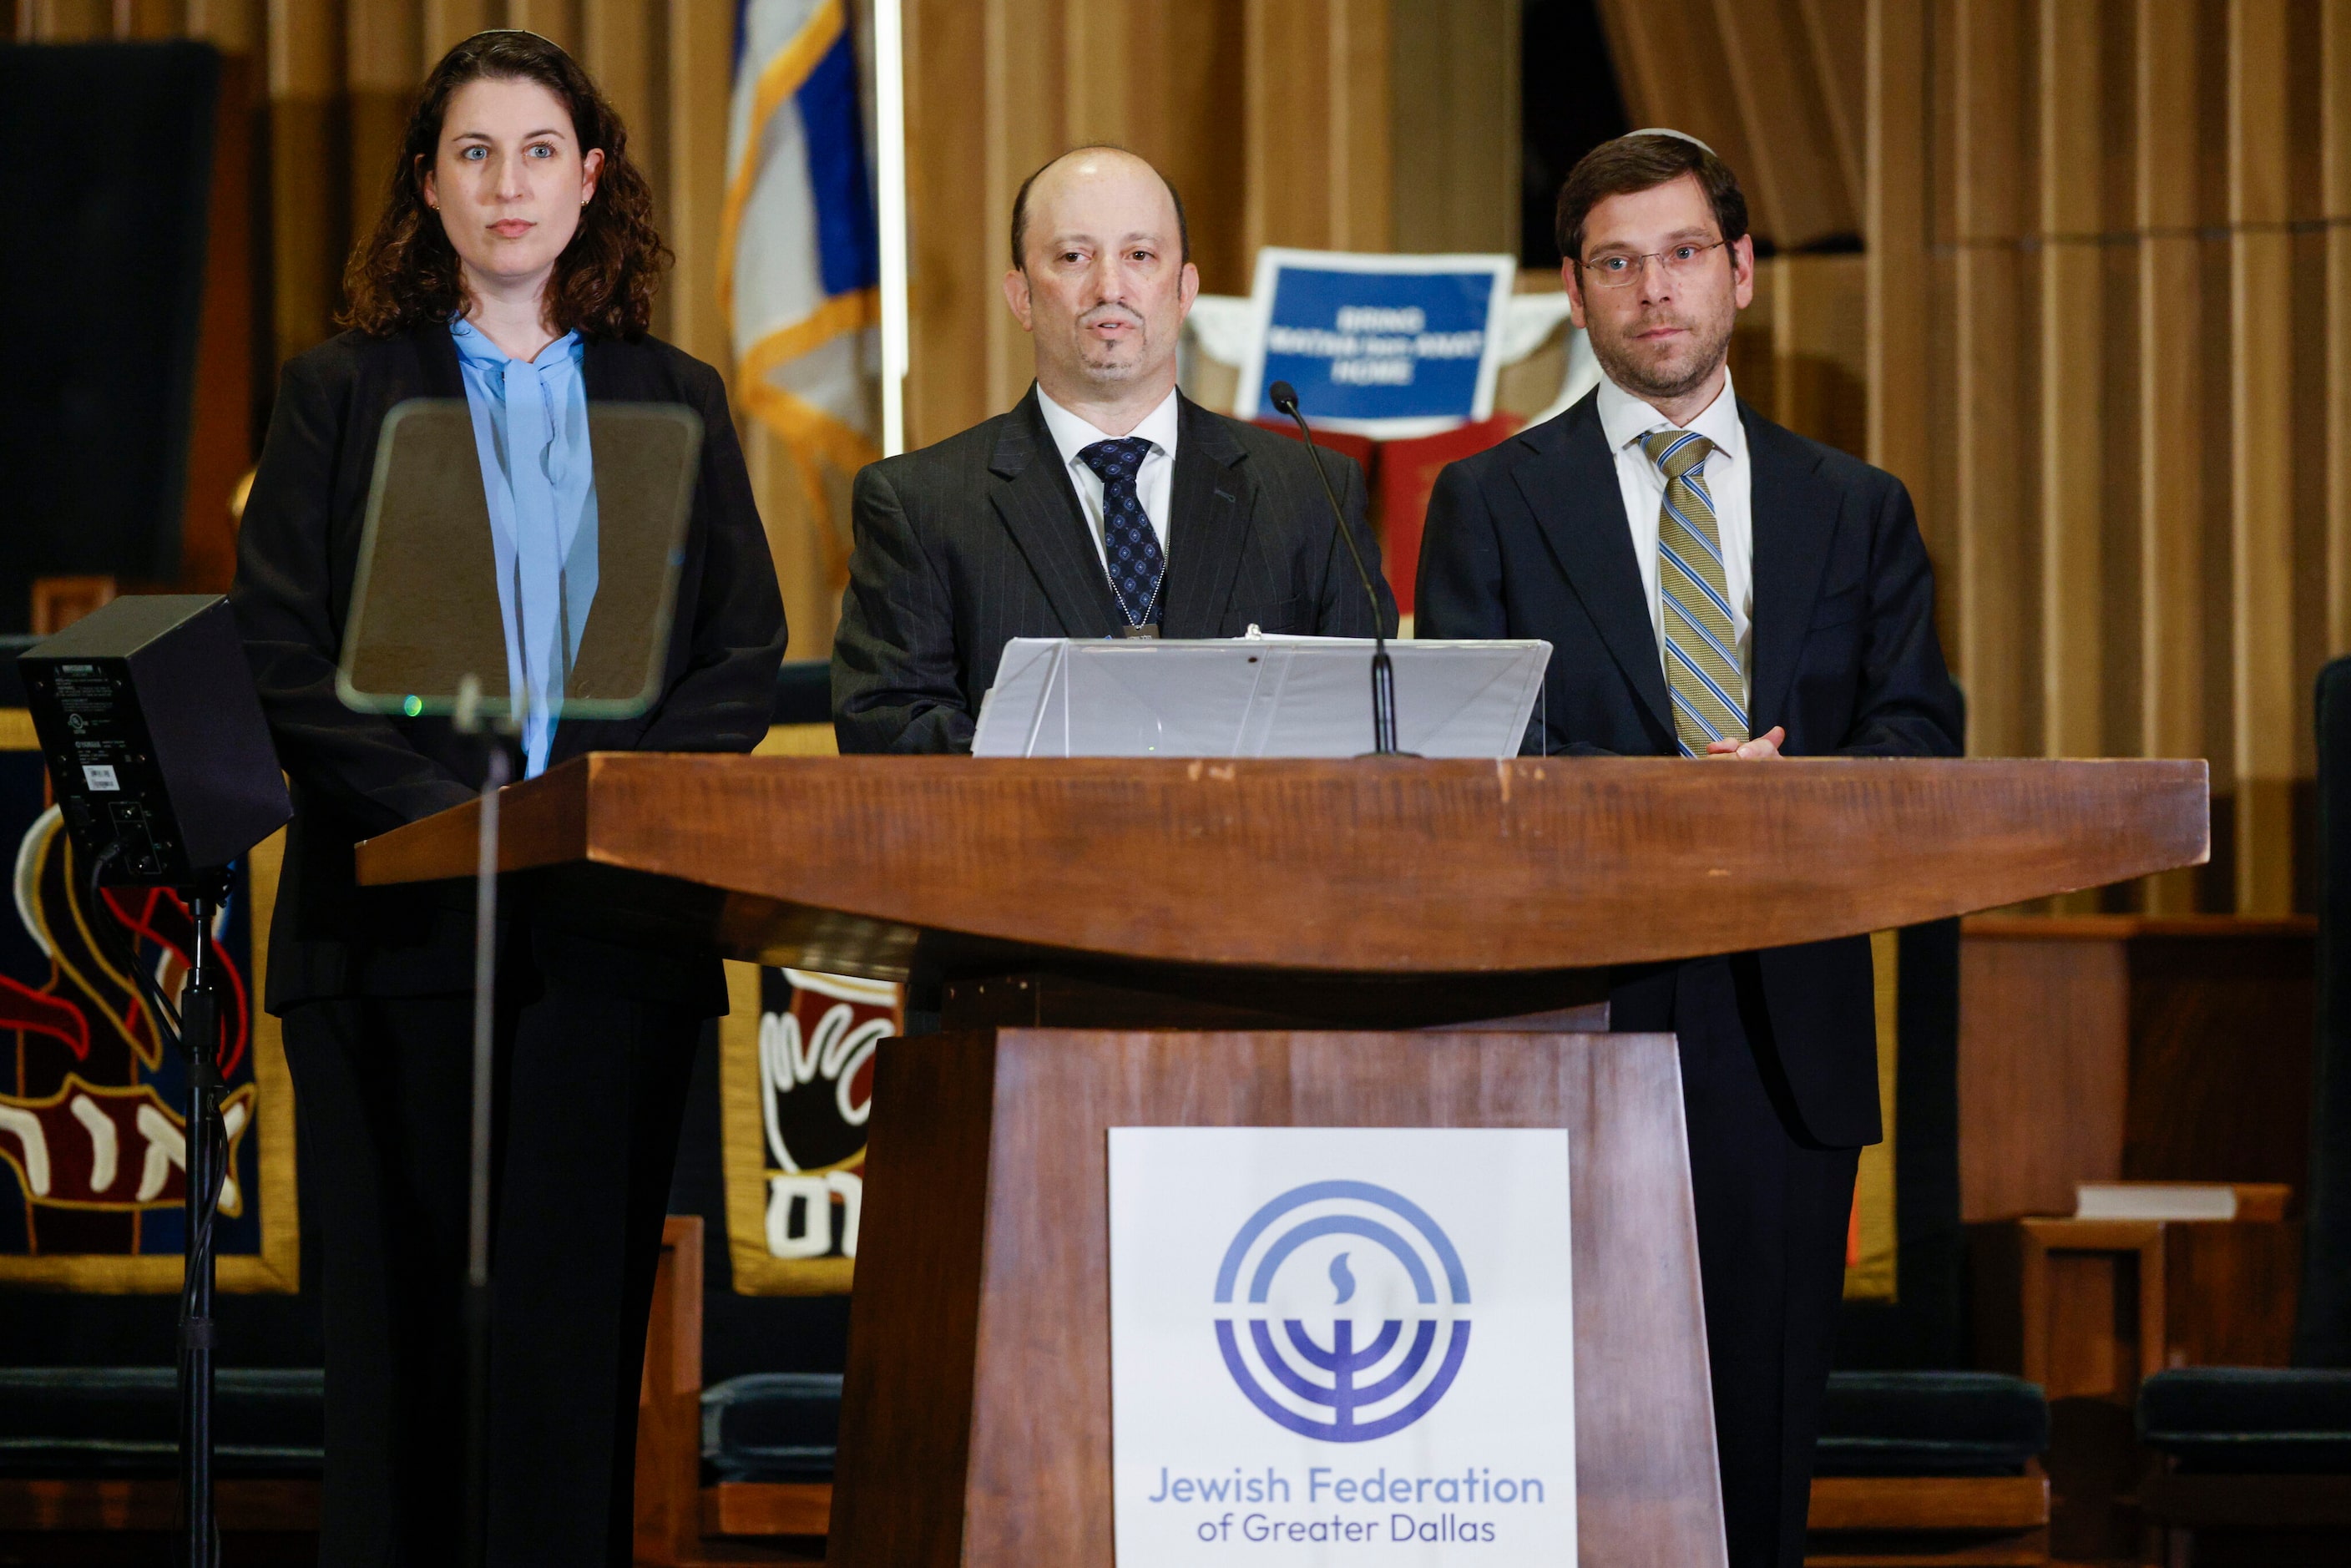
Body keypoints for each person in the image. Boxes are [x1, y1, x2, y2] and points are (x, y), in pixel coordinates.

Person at [229, 31, 786, 1565]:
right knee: (403, 1355)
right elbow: (280, 648)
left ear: (592, 177)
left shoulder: (673, 393)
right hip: (398, 941)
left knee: (573, 1358)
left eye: (539, 150)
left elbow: (745, 649)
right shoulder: (342, 393)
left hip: (611, 940)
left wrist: (596, 812)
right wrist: (449, 824)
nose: (508, 183)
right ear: (429, 186)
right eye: (473, 153)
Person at [1416, 131, 1963, 1568]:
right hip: (1560, 1019)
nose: (1651, 291)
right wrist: (1661, 800)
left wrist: (1794, 795)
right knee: (1548, 1442)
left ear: (1741, 275)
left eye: (1679, 255)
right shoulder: (1489, 502)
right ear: (1573, 294)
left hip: (1783, 1033)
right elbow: (1466, 763)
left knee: (1753, 1454)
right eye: (1614, 263)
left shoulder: (1856, 507)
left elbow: (1922, 751)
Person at [831, 144, 1395, 753]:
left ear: (1184, 290)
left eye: (1139, 256)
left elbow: (1366, 722)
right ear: (1020, 296)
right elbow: (889, 730)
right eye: (1074, 257)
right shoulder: (921, 503)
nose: (1109, 287)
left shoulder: (1310, 489)